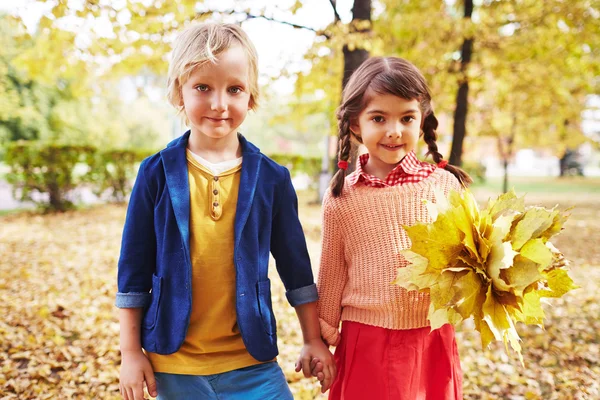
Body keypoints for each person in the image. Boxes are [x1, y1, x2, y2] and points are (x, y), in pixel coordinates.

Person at [115, 22, 335, 400]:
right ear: (178, 93)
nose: (219, 103)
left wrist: (313, 339)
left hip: (252, 364)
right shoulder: (155, 173)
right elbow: (133, 272)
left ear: (251, 96)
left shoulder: (271, 179)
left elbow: (296, 269)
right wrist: (130, 353)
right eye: (203, 87)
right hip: (174, 367)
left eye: (234, 89)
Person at [316, 56, 472, 400]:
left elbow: (468, 260)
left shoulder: (445, 186)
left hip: (430, 336)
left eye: (406, 118)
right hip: (365, 338)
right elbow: (332, 272)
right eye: (378, 118)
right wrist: (321, 338)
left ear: (422, 122)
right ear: (356, 124)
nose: (394, 130)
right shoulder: (343, 196)